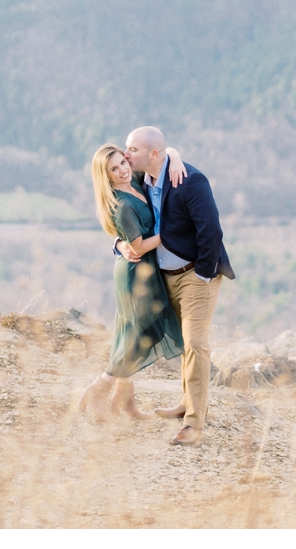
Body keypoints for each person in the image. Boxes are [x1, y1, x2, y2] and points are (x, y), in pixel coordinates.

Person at [117, 126, 235, 446]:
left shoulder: (190, 181)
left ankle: (194, 426)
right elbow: (124, 216)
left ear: (154, 154)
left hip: (196, 274)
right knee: (185, 343)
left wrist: (204, 275)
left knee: (195, 343)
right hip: (163, 276)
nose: (126, 155)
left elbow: (210, 231)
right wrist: (118, 243)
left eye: (133, 149)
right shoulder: (143, 179)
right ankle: (186, 403)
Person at [77, 143, 187, 419]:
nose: (123, 170)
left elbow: (162, 150)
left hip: (146, 267)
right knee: (141, 333)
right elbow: (137, 248)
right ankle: (100, 387)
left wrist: (174, 158)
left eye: (123, 163)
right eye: (114, 169)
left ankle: (125, 398)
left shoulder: (135, 181)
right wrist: (169, 233)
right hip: (135, 271)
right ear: (107, 176)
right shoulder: (122, 204)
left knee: (132, 331)